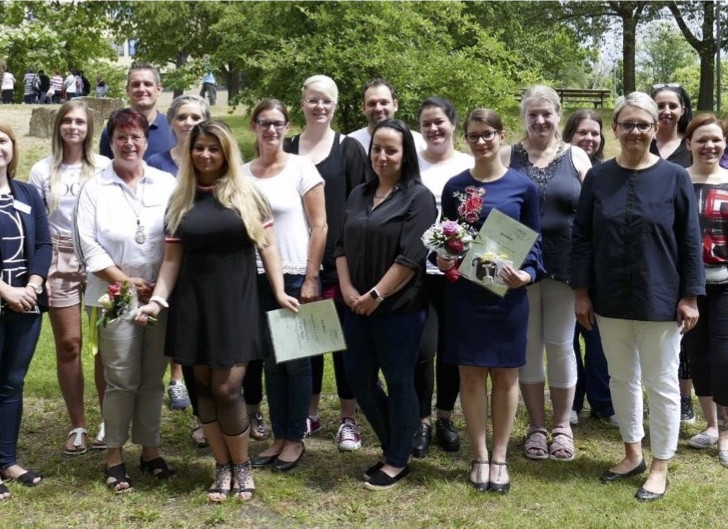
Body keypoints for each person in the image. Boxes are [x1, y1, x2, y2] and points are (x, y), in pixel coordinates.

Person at [135, 120, 300, 501]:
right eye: (199, 147)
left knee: (227, 388)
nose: (205, 154)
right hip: (192, 303)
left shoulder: (248, 194)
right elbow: (172, 260)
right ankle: (221, 465)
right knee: (202, 388)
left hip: (236, 302)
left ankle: (241, 465)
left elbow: (269, 247)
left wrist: (278, 291)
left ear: (226, 151)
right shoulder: (181, 199)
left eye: (213, 147)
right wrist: (158, 299)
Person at [572, 91, 704, 501]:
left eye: (643, 125)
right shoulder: (598, 177)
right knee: (621, 378)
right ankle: (632, 452)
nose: (635, 132)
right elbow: (583, 238)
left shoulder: (675, 177)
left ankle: (660, 462)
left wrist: (690, 296)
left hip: (660, 297)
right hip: (609, 296)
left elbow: (689, 240)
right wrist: (581, 292)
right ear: (615, 129)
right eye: (627, 124)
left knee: (662, 382)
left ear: (655, 129)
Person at [438, 108, 542, 493]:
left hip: (508, 297)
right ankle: (479, 454)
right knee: (469, 375)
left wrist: (527, 275)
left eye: (488, 134)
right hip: (466, 296)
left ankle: (500, 456)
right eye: (474, 135)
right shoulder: (454, 187)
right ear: (466, 139)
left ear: (502, 135)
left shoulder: (523, 187)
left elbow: (535, 243)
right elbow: (446, 239)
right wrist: (442, 257)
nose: (481, 141)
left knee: (505, 375)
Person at [74, 109, 177, 494]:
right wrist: (126, 281)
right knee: (120, 379)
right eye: (121, 137)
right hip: (114, 297)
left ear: (146, 142)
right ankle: (114, 454)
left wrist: (160, 284)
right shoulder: (94, 188)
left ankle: (150, 451)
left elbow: (176, 237)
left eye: (135, 136)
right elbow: (88, 246)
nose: (129, 143)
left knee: (153, 377)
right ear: (111, 142)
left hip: (159, 296)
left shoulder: (165, 183)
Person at [336, 118, 437, 490]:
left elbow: (411, 257)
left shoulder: (418, 198)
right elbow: (341, 246)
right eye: (376, 148)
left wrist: (376, 294)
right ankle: (398, 440)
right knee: (358, 378)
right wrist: (348, 289)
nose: (382, 156)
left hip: (399, 310)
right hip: (356, 306)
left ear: (405, 153)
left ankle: (396, 460)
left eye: (390, 149)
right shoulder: (358, 194)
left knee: (398, 381)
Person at [500, 85, 591, 462]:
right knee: (528, 347)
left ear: (558, 114)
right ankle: (536, 426)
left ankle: (561, 426)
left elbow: (592, 216)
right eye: (532, 114)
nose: (539, 120)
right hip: (518, 268)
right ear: (523, 117)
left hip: (564, 267)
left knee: (560, 345)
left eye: (546, 113)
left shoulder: (578, 157)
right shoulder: (508, 156)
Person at [284, 75, 367, 450]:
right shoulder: (286, 147)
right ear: (302, 103)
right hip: (295, 262)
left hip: (339, 262)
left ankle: (348, 419)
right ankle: (309, 413)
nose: (319, 107)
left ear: (335, 106)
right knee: (307, 345)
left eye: (327, 101)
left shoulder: (349, 150)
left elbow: (360, 207)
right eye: (313, 100)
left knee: (345, 346)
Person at [244, 99, 327, 472]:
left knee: (297, 362)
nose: (271, 130)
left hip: (295, 274)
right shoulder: (243, 174)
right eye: (264, 123)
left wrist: (311, 276)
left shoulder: (301, 168)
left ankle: (295, 438)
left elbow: (321, 225)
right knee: (271, 363)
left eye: (278, 123)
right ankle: (279, 436)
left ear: (287, 127)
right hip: (257, 276)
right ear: (254, 126)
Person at [29, 100, 111, 455]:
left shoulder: (105, 167)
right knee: (70, 344)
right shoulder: (41, 170)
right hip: (58, 257)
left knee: (105, 347)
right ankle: (78, 424)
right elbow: (38, 224)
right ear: (58, 126)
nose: (73, 127)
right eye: (67, 121)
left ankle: (110, 421)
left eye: (80, 122)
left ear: (89, 128)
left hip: (98, 258)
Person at [412, 97, 473, 458]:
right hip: (417, 272)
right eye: (426, 124)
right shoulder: (411, 165)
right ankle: (421, 421)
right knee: (423, 349)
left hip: (457, 274)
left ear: (452, 123)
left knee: (450, 349)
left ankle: (445, 418)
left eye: (440, 122)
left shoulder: (468, 166)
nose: (434, 129)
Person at [147, 95, 213, 415]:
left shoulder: (212, 160)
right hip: (164, 254)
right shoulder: (156, 163)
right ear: (171, 123)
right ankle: (165, 381)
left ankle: (181, 380)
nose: (189, 123)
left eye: (196, 117)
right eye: (182, 117)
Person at [0, 124, 52, 498]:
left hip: (27, 305)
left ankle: (6, 459)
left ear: (12, 147)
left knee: (12, 384)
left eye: (2, 140)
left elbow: (44, 244)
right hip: (8, 296)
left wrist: (32, 287)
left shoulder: (28, 193)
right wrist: (6, 291)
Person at [561, 110, 615, 427]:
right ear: (569, 136)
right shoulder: (560, 172)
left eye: (595, 133)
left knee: (598, 339)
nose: (589, 139)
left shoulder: (610, 173)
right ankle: (573, 401)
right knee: (567, 339)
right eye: (582, 133)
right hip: (565, 266)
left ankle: (604, 403)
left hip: (600, 268)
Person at [681, 114, 728, 462]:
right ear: (689, 144)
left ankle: (726, 432)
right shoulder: (676, 181)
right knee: (697, 358)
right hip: (687, 289)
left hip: (725, 285)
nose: (709, 146)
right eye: (701, 140)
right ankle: (711, 426)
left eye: (716, 139)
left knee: (723, 358)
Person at [650, 83, 696, 424]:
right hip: (652, 251)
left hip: (685, 244)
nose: (666, 111)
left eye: (672, 105)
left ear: (682, 110)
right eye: (660, 105)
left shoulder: (691, 148)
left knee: (685, 330)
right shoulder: (641, 140)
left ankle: (685, 395)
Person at [99, 62, 175, 161]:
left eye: (148, 84)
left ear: (159, 89)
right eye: (136, 84)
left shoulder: (173, 130)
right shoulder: (112, 131)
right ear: (127, 90)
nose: (141, 89)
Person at [348, 78, 426, 152]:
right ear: (364, 108)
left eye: (384, 102)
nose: (378, 108)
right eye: (372, 104)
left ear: (395, 105)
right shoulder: (349, 144)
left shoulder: (418, 143)